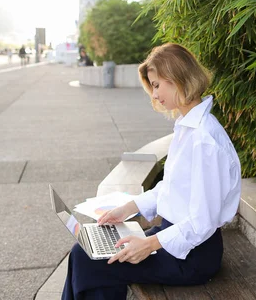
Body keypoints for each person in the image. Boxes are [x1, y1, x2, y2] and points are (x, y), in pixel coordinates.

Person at [61, 43, 242, 300]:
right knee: (86, 252)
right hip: (172, 238)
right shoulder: (188, 126)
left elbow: (202, 222)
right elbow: (171, 188)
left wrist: (148, 245)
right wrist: (128, 208)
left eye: (157, 85)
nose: (154, 95)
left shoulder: (204, 140)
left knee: (93, 262)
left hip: (192, 255)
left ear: (177, 77)